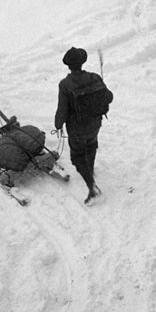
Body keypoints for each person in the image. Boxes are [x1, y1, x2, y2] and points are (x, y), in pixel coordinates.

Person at [55, 47, 113, 205]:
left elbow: (62, 109)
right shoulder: (95, 77)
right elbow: (109, 97)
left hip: (77, 128)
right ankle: (90, 170)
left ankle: (91, 185)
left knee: (77, 156)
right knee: (91, 146)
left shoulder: (65, 84)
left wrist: (58, 124)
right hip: (95, 123)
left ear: (68, 65)